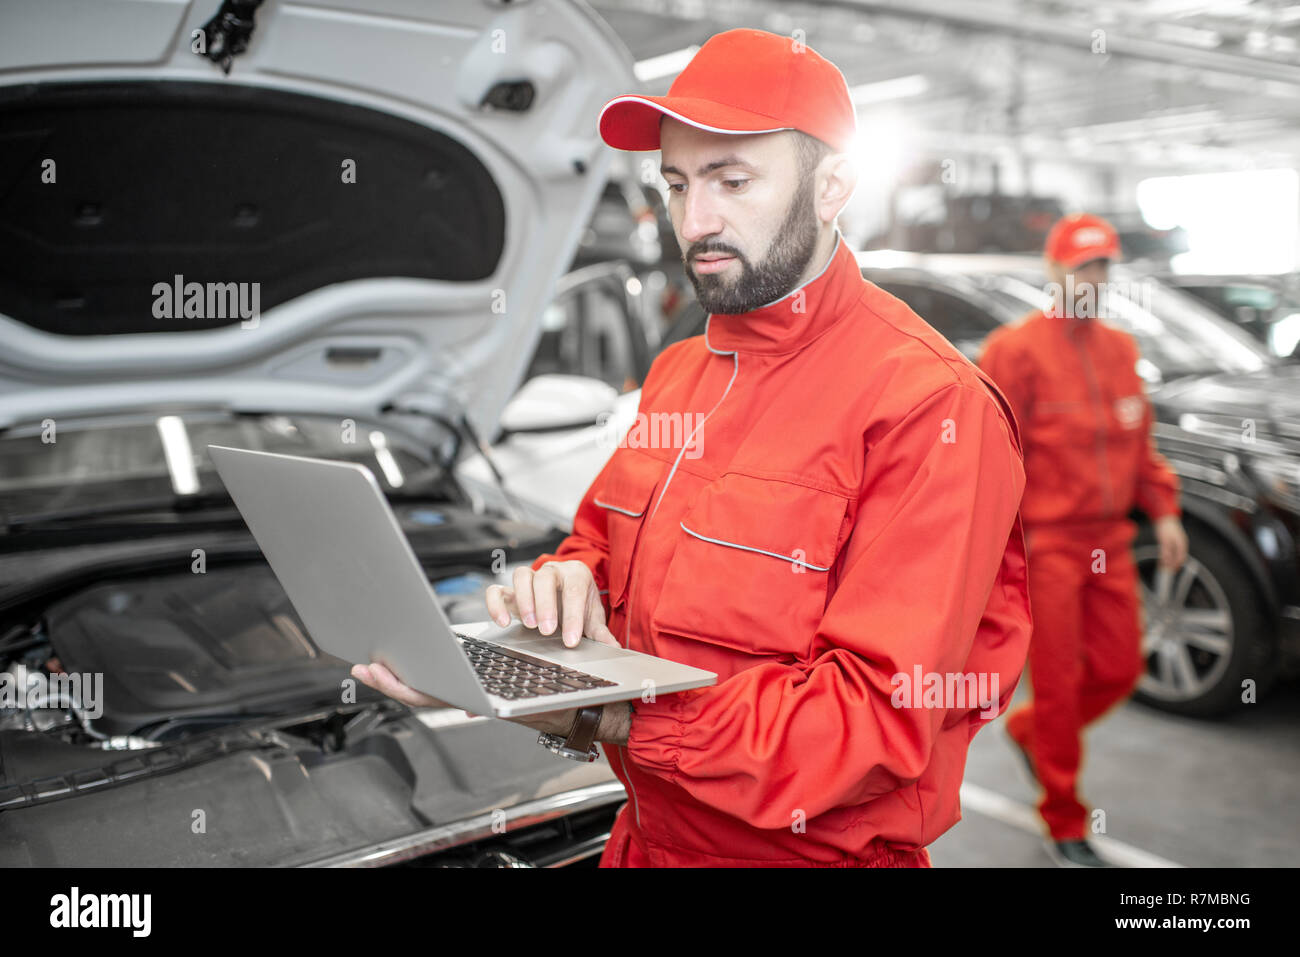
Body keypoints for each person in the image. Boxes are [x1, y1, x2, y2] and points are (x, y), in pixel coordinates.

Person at [357, 27, 1032, 868]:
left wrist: (609, 712)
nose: (695, 220)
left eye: (731, 180)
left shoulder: (931, 406)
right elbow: (598, 544)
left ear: (833, 187)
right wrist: (564, 588)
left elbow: (872, 722)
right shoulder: (684, 369)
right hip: (640, 842)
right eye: (675, 183)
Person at [978, 212, 1189, 867]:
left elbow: (1140, 447)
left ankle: (1029, 731)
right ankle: (1064, 818)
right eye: (1081, 268)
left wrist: (1166, 511)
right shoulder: (1015, 352)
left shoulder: (1120, 351)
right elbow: (992, 455)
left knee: (1123, 667)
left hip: (1110, 542)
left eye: (1102, 267)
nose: (1093, 279)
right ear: (1056, 271)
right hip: (1050, 546)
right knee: (1061, 686)